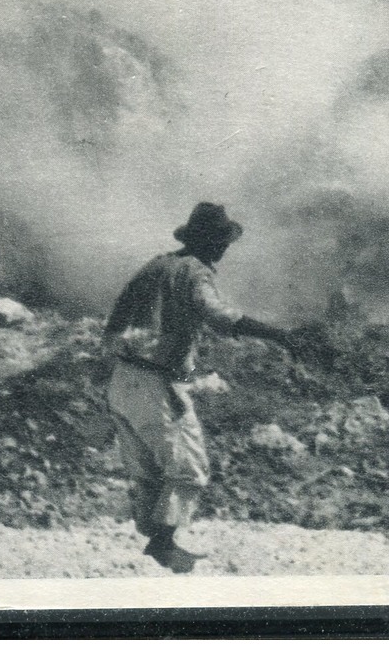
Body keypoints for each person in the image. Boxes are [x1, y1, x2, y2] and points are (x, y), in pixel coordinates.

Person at [102, 202, 319, 573]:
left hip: (122, 378)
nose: (224, 248)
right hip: (157, 383)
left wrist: (119, 346)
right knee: (190, 467)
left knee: (147, 466)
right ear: (205, 241)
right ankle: (163, 545)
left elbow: (119, 311)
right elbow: (221, 317)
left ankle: (155, 545)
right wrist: (281, 337)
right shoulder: (195, 273)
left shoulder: (156, 265)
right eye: (219, 241)